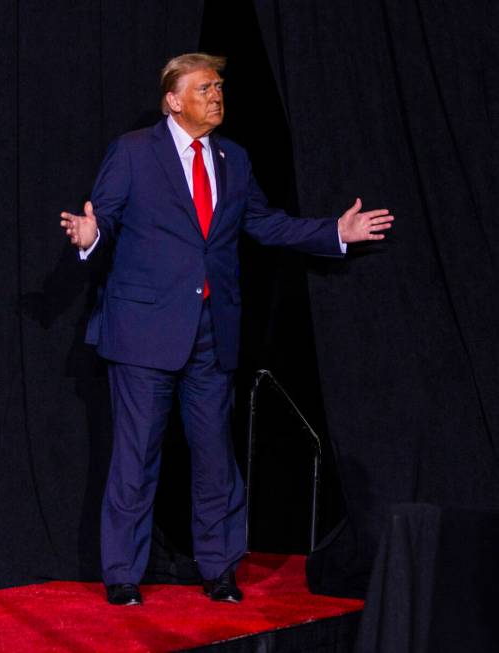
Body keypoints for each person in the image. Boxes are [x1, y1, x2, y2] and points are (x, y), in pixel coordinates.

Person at [60, 53, 393, 606]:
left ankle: (219, 570)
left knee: (216, 458)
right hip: (144, 331)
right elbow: (107, 218)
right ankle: (121, 573)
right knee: (135, 457)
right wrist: (90, 233)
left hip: (212, 333)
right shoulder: (134, 151)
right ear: (173, 99)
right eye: (204, 87)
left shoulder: (233, 158)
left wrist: (335, 230)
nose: (217, 95)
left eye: (219, 87)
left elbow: (263, 222)